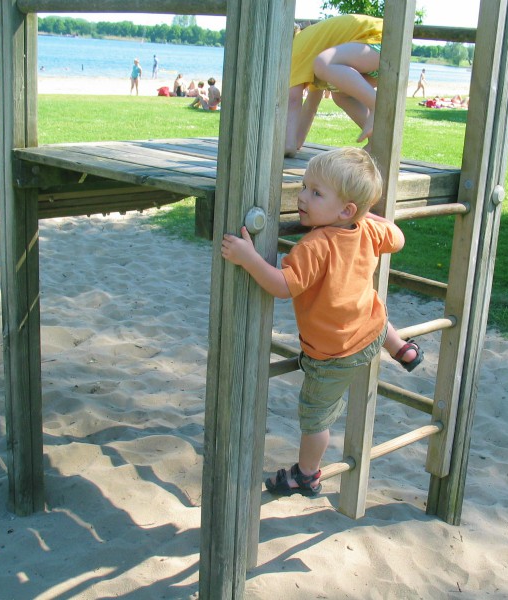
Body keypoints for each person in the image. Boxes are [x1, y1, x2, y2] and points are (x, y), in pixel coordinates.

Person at [220, 147, 418, 497]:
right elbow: (399, 240)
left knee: (315, 415)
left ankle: (306, 474)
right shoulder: (366, 229)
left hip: (333, 354)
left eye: (316, 193)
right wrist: (373, 219)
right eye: (304, 186)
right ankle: (400, 348)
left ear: (346, 209)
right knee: (374, 308)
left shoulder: (315, 246)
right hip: (370, 330)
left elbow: (282, 286)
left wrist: (248, 258)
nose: (303, 198)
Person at [284, 14, 383, 157]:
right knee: (340, 94)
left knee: (323, 62)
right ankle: (378, 140)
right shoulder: (311, 46)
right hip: (379, 58)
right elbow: (311, 104)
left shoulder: (297, 48)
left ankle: (376, 106)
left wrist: (287, 144)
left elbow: (292, 100)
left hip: (381, 41)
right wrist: (293, 142)